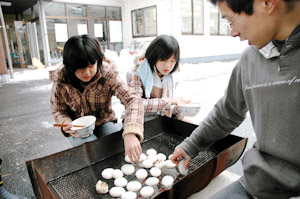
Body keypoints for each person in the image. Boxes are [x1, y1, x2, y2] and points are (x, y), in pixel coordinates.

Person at [171, 0, 300, 198]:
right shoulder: (251, 58)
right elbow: (226, 113)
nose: (233, 32)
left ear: (267, 3)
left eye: (231, 20)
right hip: (255, 186)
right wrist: (190, 146)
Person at [50, 34, 144, 162]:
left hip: (104, 121)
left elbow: (132, 99)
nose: (87, 72)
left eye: (91, 65)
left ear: (98, 60)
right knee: (92, 150)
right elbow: (58, 110)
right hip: (78, 128)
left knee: (116, 145)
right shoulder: (61, 80)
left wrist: (131, 131)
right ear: (70, 66)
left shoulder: (107, 73)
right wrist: (65, 122)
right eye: (81, 67)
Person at [127, 35, 190, 122]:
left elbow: (170, 107)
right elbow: (137, 104)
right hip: (139, 122)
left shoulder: (172, 77)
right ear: (153, 57)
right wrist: (170, 101)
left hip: (162, 121)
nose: (167, 66)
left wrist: (182, 107)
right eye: (163, 60)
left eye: (172, 61)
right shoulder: (138, 73)